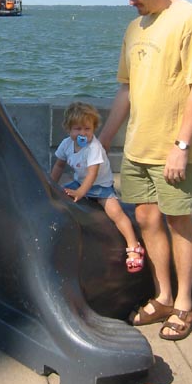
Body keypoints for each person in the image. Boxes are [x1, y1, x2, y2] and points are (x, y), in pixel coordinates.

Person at [99, 0, 192, 341]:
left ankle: (185, 304)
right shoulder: (134, 29)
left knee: (178, 221)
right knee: (147, 219)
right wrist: (102, 141)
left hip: (174, 149)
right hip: (138, 148)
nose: (131, 2)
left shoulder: (191, 18)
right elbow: (126, 90)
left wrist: (181, 147)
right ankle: (164, 296)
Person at [51, 101, 145, 272]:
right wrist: (51, 184)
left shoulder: (94, 147)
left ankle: (133, 246)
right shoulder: (66, 144)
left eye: (87, 129)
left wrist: (80, 192)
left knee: (116, 213)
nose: (83, 133)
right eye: (78, 129)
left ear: (94, 129)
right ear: (68, 129)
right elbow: (59, 165)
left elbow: (92, 174)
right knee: (59, 195)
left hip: (100, 186)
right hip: (80, 182)